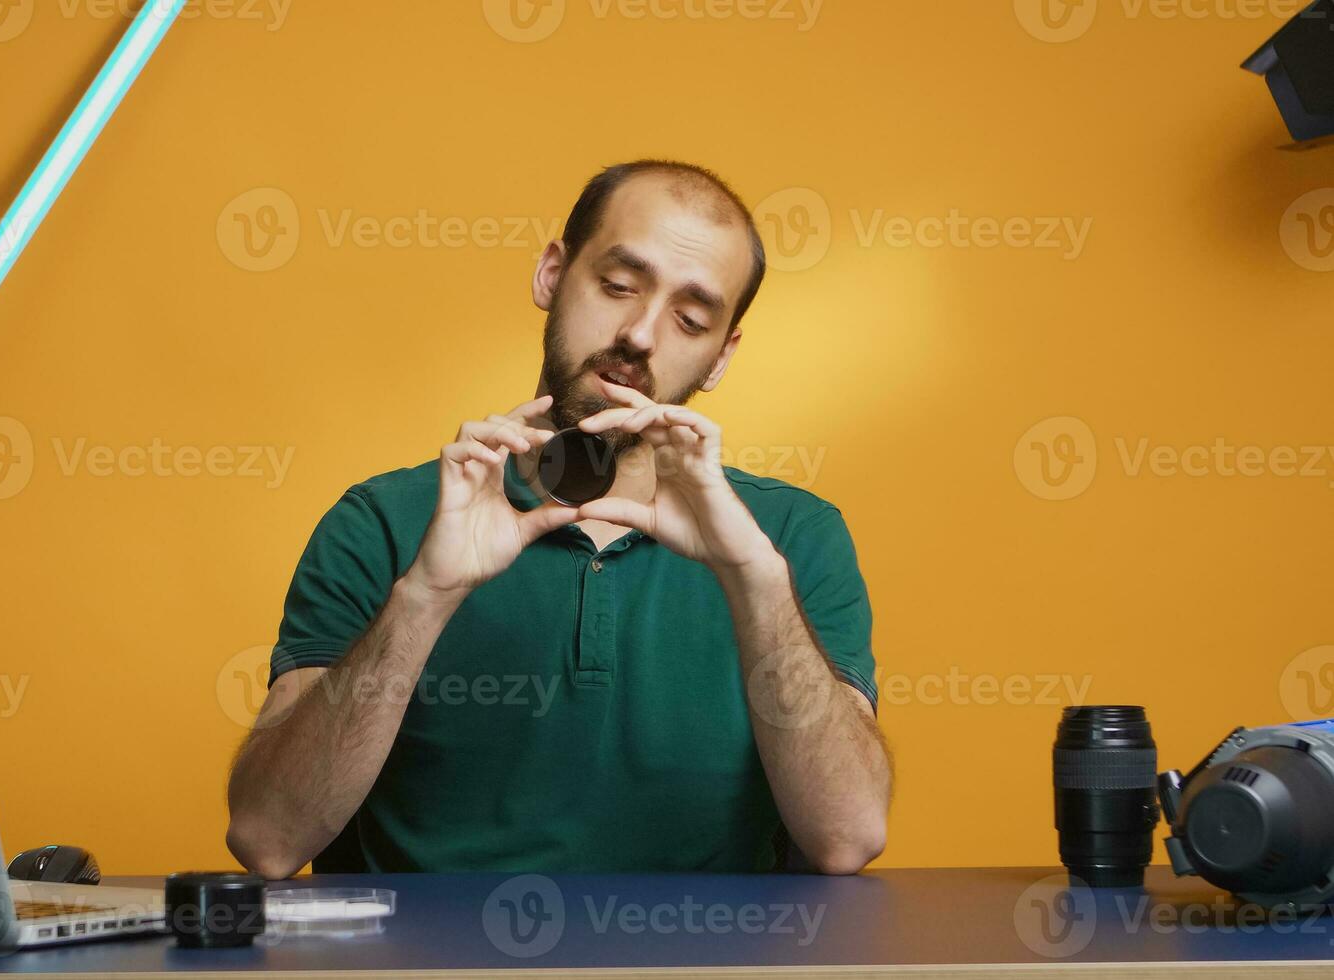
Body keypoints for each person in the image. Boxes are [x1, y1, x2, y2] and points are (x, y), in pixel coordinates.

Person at [226, 160, 891, 877]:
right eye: (618, 286)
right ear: (551, 274)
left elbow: (846, 837)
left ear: (720, 356)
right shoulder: (381, 523)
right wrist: (425, 596)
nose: (639, 334)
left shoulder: (790, 539)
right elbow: (268, 839)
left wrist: (752, 578)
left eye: (690, 318)